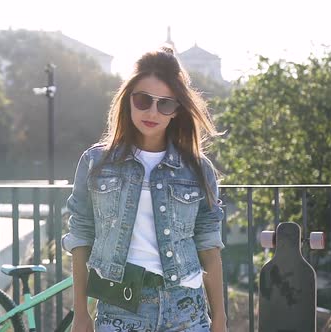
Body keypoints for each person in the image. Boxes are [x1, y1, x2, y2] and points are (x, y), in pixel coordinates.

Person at [62, 46, 227, 332]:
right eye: (143, 100)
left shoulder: (198, 170)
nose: (153, 111)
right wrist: (81, 314)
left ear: (176, 110)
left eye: (165, 104)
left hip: (186, 310)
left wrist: (221, 320)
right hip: (120, 308)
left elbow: (209, 246)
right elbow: (80, 236)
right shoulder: (96, 162)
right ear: (128, 101)